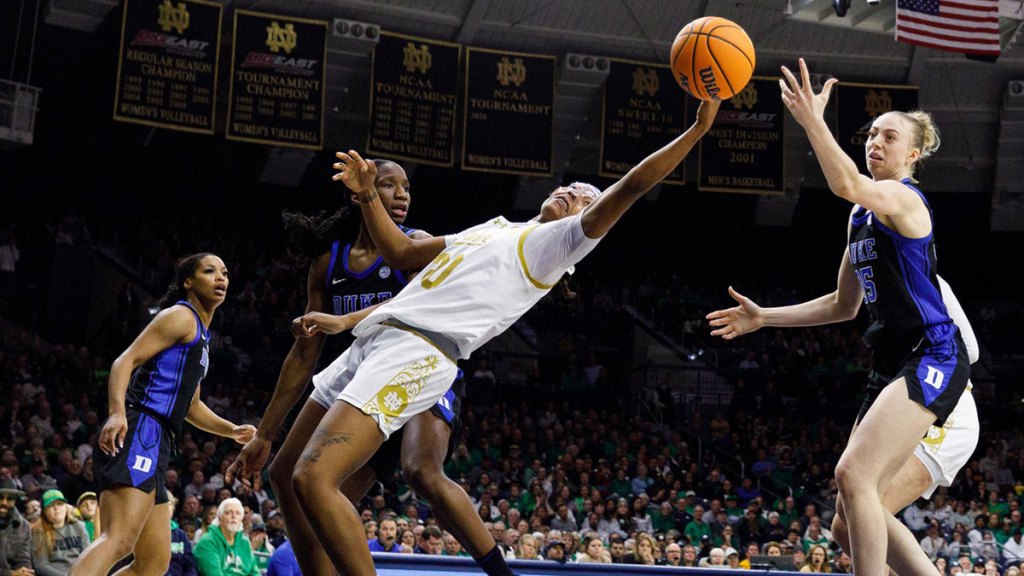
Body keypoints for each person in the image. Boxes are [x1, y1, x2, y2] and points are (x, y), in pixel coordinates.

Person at [285, 98, 718, 576]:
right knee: (286, 474)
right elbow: (403, 251)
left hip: (419, 351)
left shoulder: (557, 247)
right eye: (570, 186)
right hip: (376, 337)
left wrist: (697, 130)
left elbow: (634, 184)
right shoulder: (496, 228)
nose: (571, 192)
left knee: (315, 477)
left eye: (583, 196)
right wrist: (367, 195)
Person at [707, 58, 968, 576]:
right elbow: (841, 304)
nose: (876, 141)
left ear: (912, 154)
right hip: (892, 360)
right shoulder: (860, 216)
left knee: (854, 474)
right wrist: (765, 318)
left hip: (932, 352)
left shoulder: (903, 198)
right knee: (848, 518)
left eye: (889, 137)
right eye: (872, 133)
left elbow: (847, 184)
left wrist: (811, 121)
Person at [226, 162, 513, 576]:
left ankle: (501, 571)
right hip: (362, 385)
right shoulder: (329, 262)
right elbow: (304, 354)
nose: (402, 195)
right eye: (389, 185)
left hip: (420, 372)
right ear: (359, 192)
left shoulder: (417, 246)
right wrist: (265, 434)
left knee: (422, 469)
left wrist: (346, 320)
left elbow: (413, 307)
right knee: (290, 479)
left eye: (406, 188)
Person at [68, 253, 256, 576]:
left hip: (158, 441)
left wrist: (231, 430)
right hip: (141, 428)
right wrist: (116, 413)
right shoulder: (181, 317)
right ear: (188, 281)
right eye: (209, 271)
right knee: (119, 540)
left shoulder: (201, 336)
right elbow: (123, 362)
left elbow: (192, 406)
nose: (220, 278)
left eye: (224, 272)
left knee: (154, 563)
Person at [192, 498, 259, 576]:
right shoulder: (207, 541)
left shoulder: (245, 542)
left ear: (241, 518)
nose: (234, 516)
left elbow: (255, 573)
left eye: (238, 513)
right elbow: (214, 574)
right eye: (228, 513)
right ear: (220, 517)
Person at [31, 489, 90, 575]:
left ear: (66, 507)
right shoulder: (38, 532)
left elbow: (88, 556)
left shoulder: (79, 527)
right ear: (44, 512)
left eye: (60, 504)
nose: (56, 508)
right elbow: (41, 566)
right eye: (51, 505)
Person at [0, 478, 33, 576]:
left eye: (9, 498)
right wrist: (10, 574)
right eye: (0, 497)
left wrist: (24, 573)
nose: (4, 502)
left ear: (15, 501)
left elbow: (22, 559)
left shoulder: (23, 526)